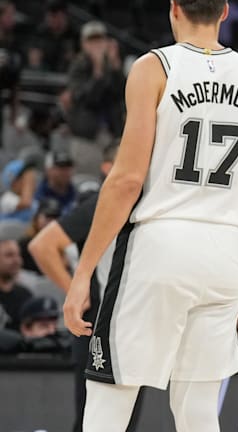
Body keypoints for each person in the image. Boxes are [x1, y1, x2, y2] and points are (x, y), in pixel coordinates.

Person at [60, 0, 238, 432]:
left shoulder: (153, 67)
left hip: (161, 242)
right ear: (225, 12)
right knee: (198, 410)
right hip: (227, 251)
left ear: (173, 8)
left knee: (109, 398)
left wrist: (82, 273)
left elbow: (126, 180)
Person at [28, 144, 143, 432]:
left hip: (132, 325)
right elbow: (42, 246)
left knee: (123, 423)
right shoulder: (104, 201)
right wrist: (76, 291)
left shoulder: (146, 201)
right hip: (98, 325)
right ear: (108, 168)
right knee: (92, 422)